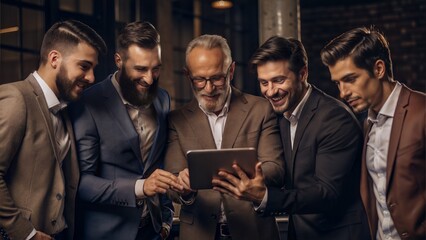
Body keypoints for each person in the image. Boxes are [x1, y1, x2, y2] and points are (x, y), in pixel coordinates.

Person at [212, 36, 371, 240]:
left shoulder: (335, 118)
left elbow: (326, 193)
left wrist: (265, 197)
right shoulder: (279, 117)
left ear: (302, 73)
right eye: (264, 83)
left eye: (279, 80)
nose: (271, 91)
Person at [164, 34, 284, 240]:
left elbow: (276, 169)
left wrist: (229, 176)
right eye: (199, 80)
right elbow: (172, 180)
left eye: (217, 78)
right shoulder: (176, 120)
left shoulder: (261, 109)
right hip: (199, 232)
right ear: (187, 75)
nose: (209, 88)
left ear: (231, 71)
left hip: (253, 231)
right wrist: (183, 187)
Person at [68, 21, 182, 240]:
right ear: (119, 61)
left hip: (154, 231)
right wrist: (140, 187)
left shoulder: (163, 99)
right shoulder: (89, 103)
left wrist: (165, 220)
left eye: (156, 68)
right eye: (140, 69)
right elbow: (83, 183)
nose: (149, 79)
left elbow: (157, 165)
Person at [0, 20, 106, 240]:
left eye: (93, 68)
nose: (91, 78)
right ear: (55, 59)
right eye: (84, 66)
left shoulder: (66, 110)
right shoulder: (16, 98)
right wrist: (26, 233)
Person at [321, 27, 425, 240]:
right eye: (338, 83)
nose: (343, 93)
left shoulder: (422, 111)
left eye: (350, 79)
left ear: (378, 69)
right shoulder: (366, 124)